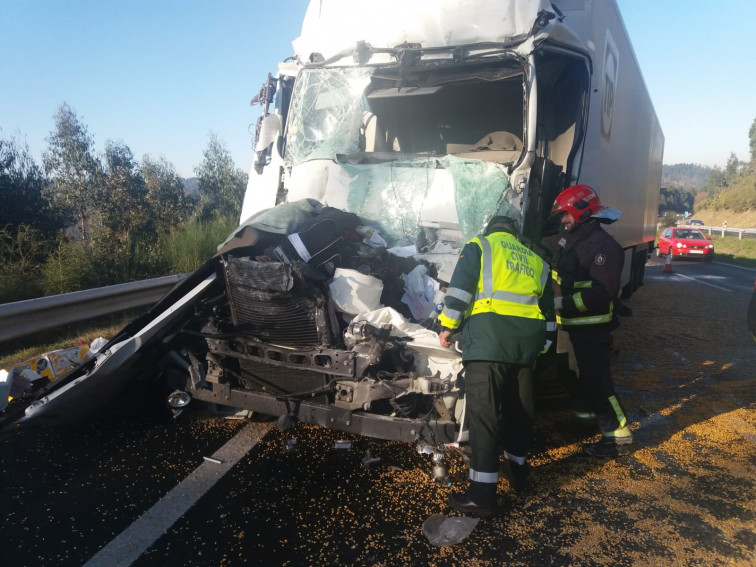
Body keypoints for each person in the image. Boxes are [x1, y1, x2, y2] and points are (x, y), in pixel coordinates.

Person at [437, 215, 550, 517]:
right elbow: (549, 312)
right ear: (514, 234)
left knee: (484, 419)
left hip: (488, 343)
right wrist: (543, 346)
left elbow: (459, 291)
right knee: (519, 412)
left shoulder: (480, 246)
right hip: (526, 347)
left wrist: (447, 326)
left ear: (490, 231)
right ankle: (519, 476)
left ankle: (483, 495)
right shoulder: (536, 259)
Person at [549, 184, 633, 457]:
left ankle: (617, 435)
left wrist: (562, 303)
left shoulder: (603, 248)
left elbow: (601, 293)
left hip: (592, 328)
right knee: (578, 376)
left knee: (598, 380)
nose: (562, 220)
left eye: (566, 215)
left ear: (582, 211)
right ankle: (584, 422)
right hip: (571, 326)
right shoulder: (572, 240)